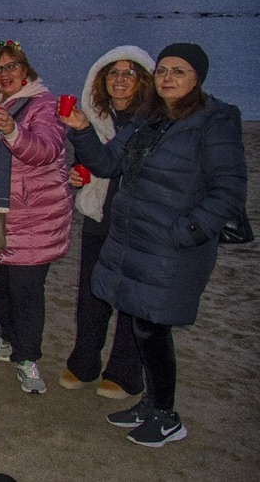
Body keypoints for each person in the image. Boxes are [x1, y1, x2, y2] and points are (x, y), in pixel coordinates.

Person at [65, 43, 246, 447]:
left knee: (150, 326)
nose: (167, 78)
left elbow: (228, 189)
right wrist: (80, 130)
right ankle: (151, 403)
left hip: (171, 246)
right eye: (163, 70)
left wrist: (187, 232)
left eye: (178, 71)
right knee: (143, 323)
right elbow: (109, 163)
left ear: (197, 78)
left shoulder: (214, 121)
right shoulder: (149, 119)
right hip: (136, 240)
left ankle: (166, 416)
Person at [0, 40, 71, 395]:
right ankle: (6, 342)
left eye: (11, 67)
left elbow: (46, 151)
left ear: (26, 70)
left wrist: (11, 131)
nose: (4, 74)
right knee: (0, 285)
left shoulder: (44, 105)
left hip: (34, 214)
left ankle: (28, 357)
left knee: (27, 291)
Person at [58, 46, 155, 399]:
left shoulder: (154, 123)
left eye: (129, 73)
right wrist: (78, 177)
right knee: (92, 293)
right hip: (100, 215)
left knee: (131, 297)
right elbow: (94, 164)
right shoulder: (97, 118)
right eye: (113, 73)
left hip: (139, 222)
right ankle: (84, 362)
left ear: (144, 80)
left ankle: (125, 372)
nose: (120, 80)